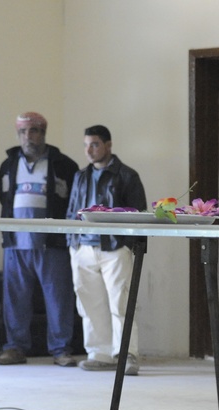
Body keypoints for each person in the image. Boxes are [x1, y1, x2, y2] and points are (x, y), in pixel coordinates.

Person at [0, 112, 79, 367]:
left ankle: (61, 349)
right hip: (16, 244)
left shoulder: (64, 164)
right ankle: (15, 347)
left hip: (51, 244)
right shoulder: (8, 164)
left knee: (58, 298)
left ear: (44, 133)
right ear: (18, 134)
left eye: (34, 131)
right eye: (23, 132)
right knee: (15, 298)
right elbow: (4, 197)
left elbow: (71, 202)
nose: (28, 137)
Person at [66, 125, 147, 375]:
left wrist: (133, 247)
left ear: (108, 146)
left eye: (95, 144)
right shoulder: (80, 176)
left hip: (115, 247)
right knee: (89, 303)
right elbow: (72, 211)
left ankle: (127, 354)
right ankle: (99, 353)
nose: (89, 150)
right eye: (86, 145)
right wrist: (72, 242)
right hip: (82, 247)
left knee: (121, 303)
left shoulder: (127, 176)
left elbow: (139, 214)